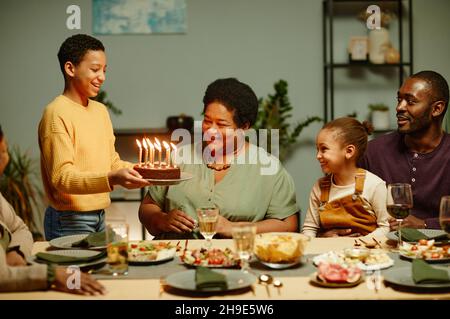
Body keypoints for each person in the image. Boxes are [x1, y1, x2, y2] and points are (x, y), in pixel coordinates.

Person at [139, 78, 299, 239]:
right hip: (175, 255)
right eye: (207, 121)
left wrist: (235, 228)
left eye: (222, 125)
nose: (211, 131)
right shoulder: (180, 157)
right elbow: (147, 207)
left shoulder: (267, 166)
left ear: (244, 127)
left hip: (237, 255)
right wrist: (161, 219)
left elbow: (288, 224)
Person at [38, 34, 149, 240]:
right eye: (95, 69)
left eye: (104, 71)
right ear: (70, 68)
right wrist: (111, 178)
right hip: (68, 220)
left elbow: (111, 161)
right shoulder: (56, 113)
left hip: (99, 216)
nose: (102, 77)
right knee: (77, 274)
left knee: (97, 272)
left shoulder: (100, 111)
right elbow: (62, 178)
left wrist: (146, 171)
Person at [0, 125, 105, 295]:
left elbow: (20, 228)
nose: (7, 159)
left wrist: (16, 251)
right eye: (3, 152)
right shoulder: (55, 118)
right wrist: (52, 274)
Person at [359, 70, 450, 230]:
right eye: (399, 99)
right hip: (381, 250)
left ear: (437, 109)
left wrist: (424, 224)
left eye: (410, 101)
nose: (399, 107)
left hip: (440, 251)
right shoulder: (372, 152)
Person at [302, 117, 390, 238]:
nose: (318, 156)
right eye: (317, 149)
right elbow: (309, 229)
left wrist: (359, 245)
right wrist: (322, 239)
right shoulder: (319, 187)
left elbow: (385, 228)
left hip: (366, 253)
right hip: (329, 254)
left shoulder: (374, 185)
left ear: (349, 151)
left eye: (324, 149)